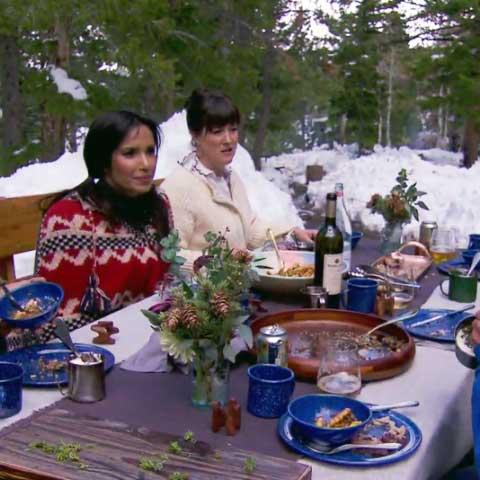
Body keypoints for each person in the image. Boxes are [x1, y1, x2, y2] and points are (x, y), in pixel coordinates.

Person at [27, 110, 172, 343]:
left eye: (150, 151)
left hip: (153, 336)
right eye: (130, 153)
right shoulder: (69, 219)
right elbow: (55, 320)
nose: (146, 164)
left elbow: (166, 284)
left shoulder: (158, 206)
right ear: (103, 161)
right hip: (88, 347)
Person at [162, 88, 314, 269]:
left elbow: (248, 228)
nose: (229, 139)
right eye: (217, 131)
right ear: (195, 134)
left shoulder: (230, 178)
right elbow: (170, 257)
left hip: (235, 289)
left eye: (233, 130)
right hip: (199, 294)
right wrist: (220, 260)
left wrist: (292, 233)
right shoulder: (179, 187)